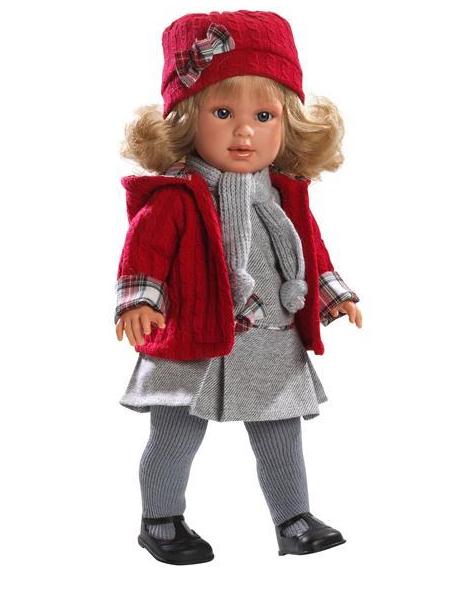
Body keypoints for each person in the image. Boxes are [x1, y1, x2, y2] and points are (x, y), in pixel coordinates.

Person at [114, 9, 363, 565]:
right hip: (192, 338)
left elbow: (309, 251)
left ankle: (293, 519)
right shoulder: (175, 198)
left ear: (289, 124)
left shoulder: (284, 196)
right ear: (185, 121)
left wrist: (334, 294)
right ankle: (160, 519)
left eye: (264, 115)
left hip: (269, 338)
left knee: (281, 433)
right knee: (175, 435)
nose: (244, 131)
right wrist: (140, 302)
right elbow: (144, 254)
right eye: (223, 112)